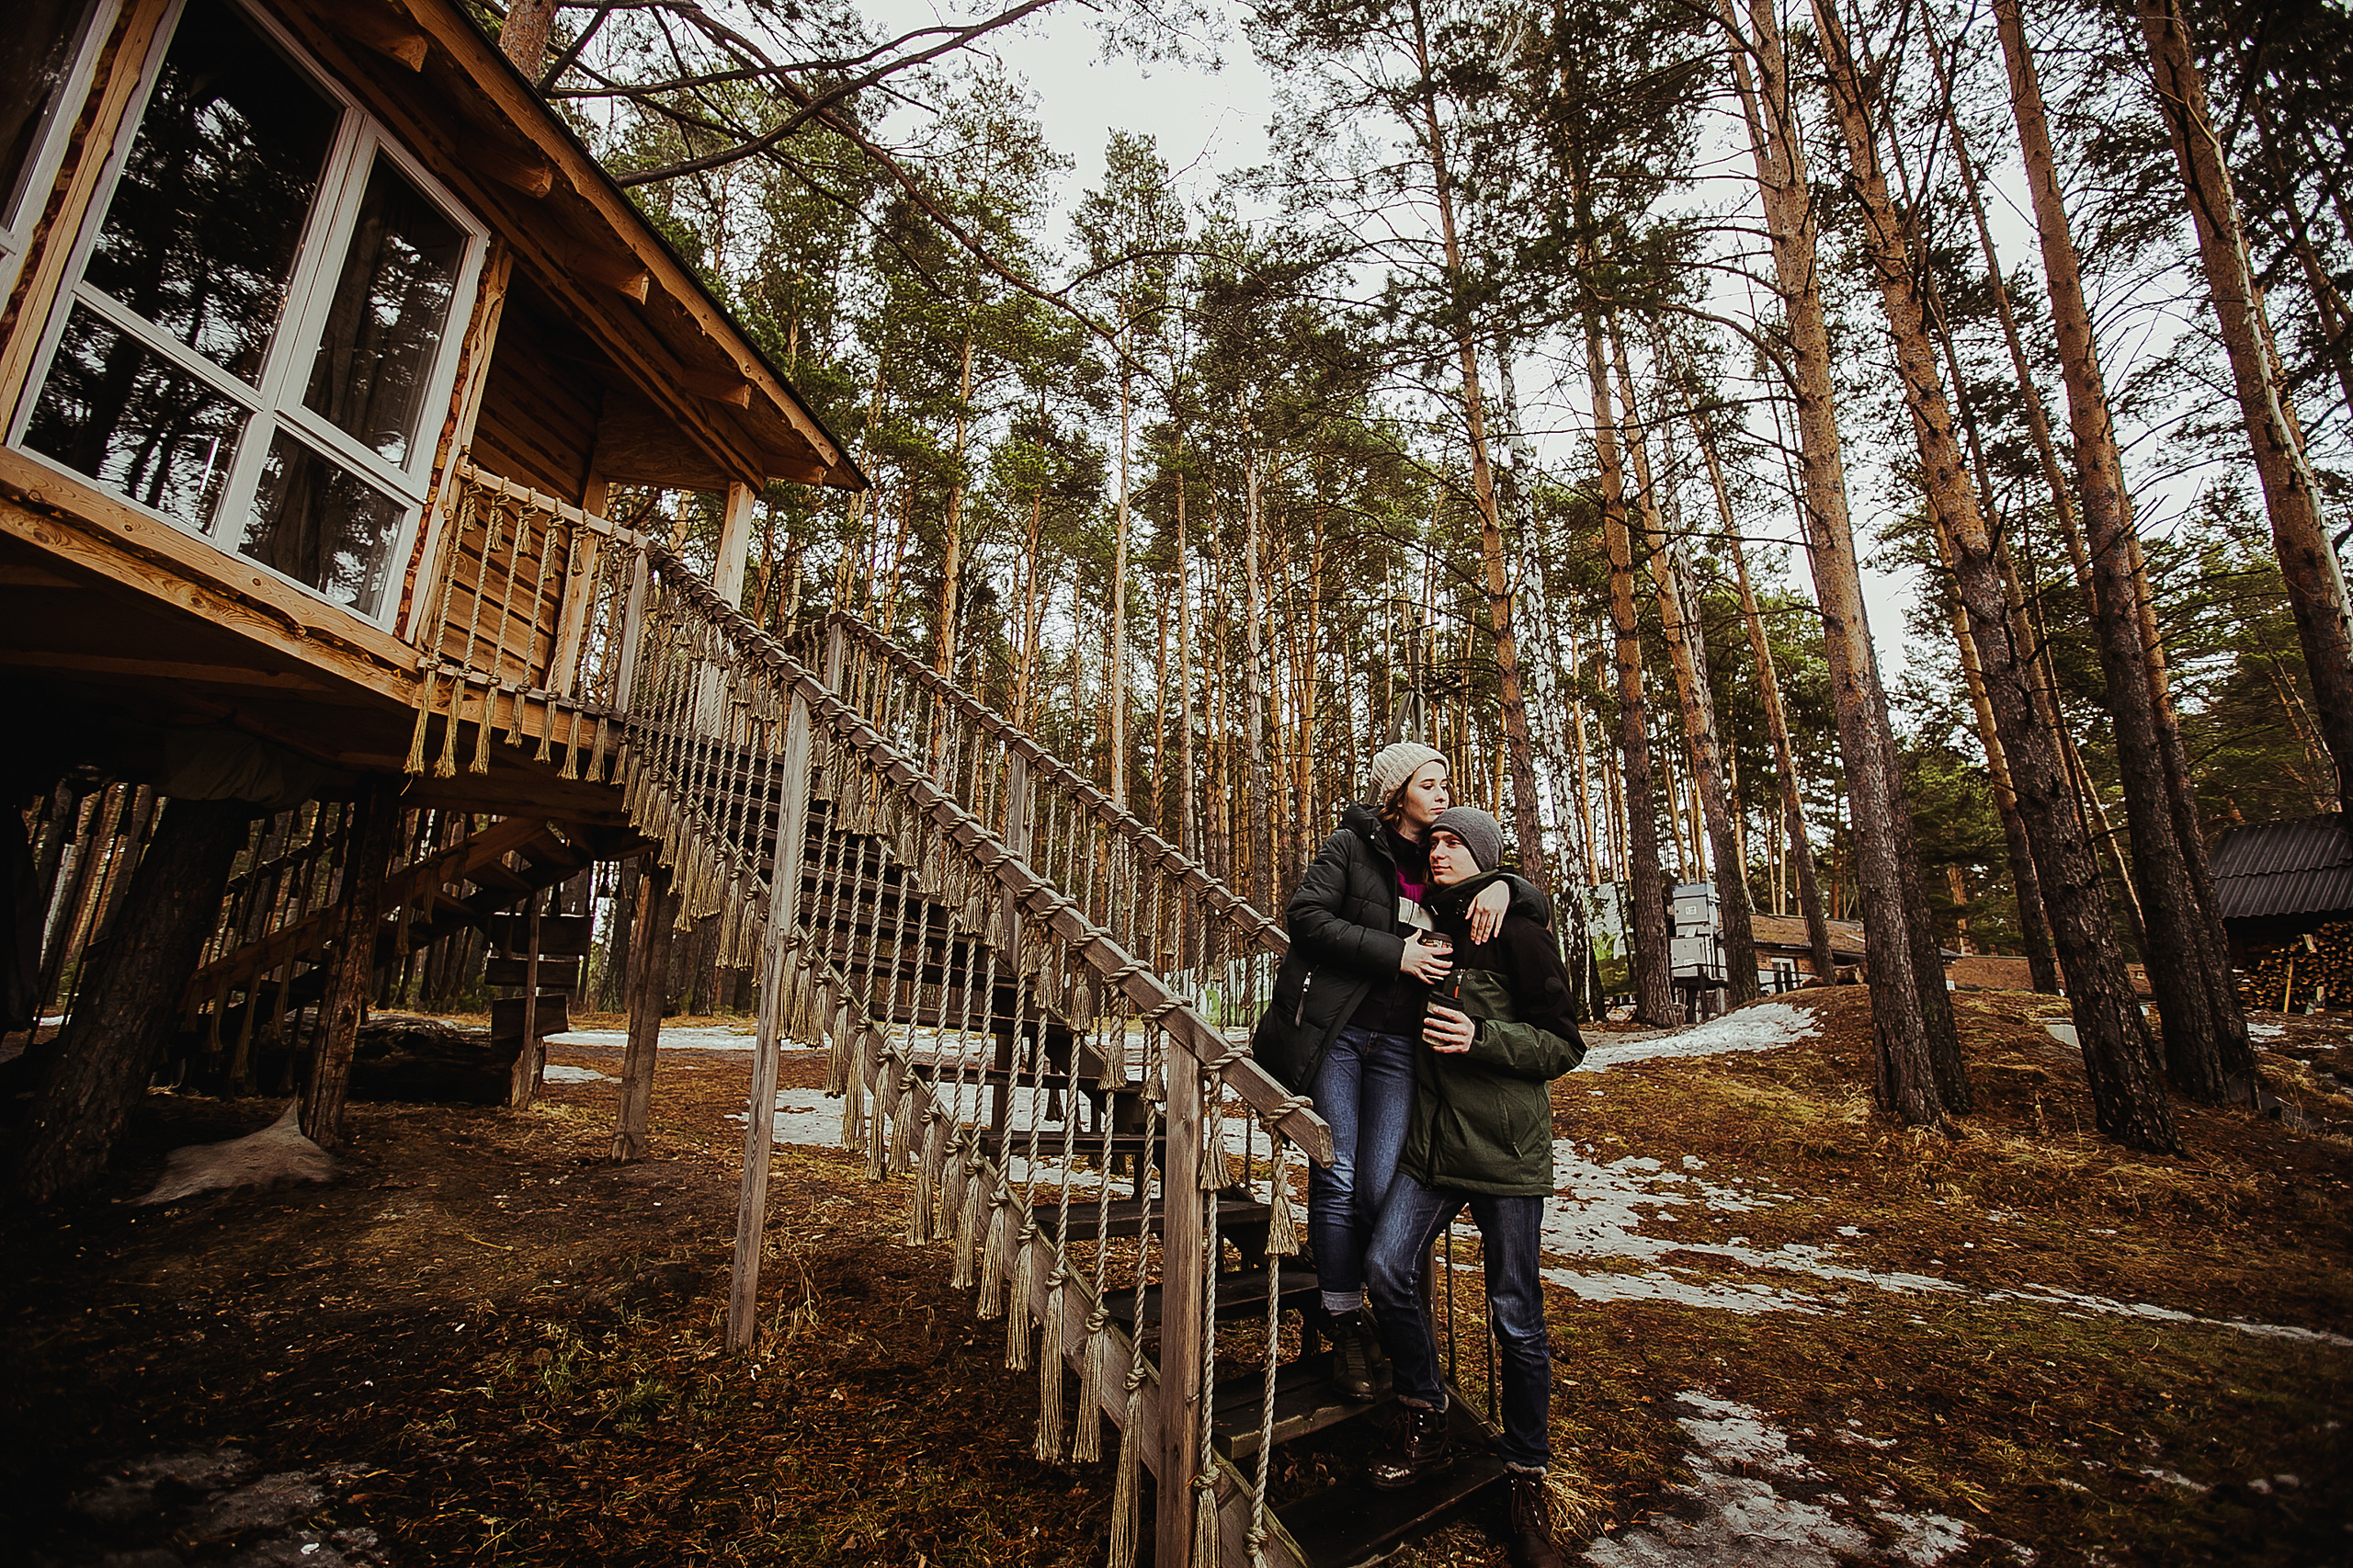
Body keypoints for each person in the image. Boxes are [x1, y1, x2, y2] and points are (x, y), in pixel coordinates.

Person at [1253, 743, 1547, 1402]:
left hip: (1398, 1046)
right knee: (1341, 1171)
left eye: (1446, 783)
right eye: (1430, 783)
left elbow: (1510, 885)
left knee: (1382, 1187)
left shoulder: (1442, 857)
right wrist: (1396, 956)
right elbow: (1305, 919)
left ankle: (1388, 1310)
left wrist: (1507, 884)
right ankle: (1344, 1320)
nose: (1443, 794)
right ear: (1397, 792)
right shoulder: (1353, 845)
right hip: (1341, 1033)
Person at [1364, 806, 1581, 1568]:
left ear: (1483, 856)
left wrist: (1483, 1038)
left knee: (1516, 1317)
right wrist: (1515, 883)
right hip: (1432, 1150)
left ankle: (1527, 1478)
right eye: (1435, 840)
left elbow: (1564, 1042)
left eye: (1456, 842)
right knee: (1388, 1268)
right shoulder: (1430, 929)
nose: (1441, 849)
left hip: (1506, 1156)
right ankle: (1427, 1414)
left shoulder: (1517, 931)